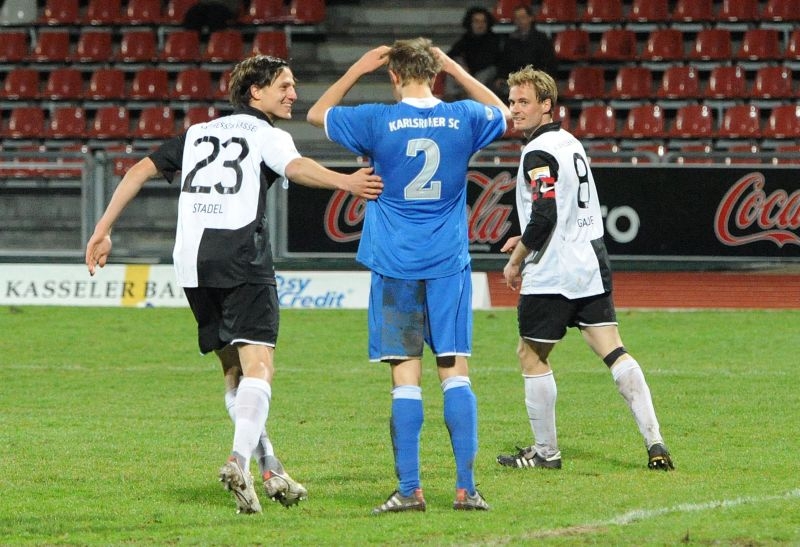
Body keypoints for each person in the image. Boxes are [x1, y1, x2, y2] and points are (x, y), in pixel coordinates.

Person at [85, 54, 383, 514]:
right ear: (254, 93)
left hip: (191, 263)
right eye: (284, 85)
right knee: (260, 366)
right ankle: (237, 459)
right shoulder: (268, 135)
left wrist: (103, 229)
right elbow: (298, 168)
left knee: (234, 373)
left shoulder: (199, 132)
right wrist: (347, 182)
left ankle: (269, 466)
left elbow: (138, 169)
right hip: (240, 257)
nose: (293, 94)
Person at [307, 37, 511, 514]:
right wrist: (458, 71)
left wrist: (357, 66)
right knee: (455, 372)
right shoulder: (463, 117)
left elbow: (318, 113)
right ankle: (465, 488)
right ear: (436, 72)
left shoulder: (376, 119)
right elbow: (503, 111)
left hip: (395, 263)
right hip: (448, 265)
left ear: (393, 75)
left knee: (405, 378)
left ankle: (410, 489)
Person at [496, 66, 674, 473]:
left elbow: (544, 213)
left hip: (553, 272)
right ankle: (655, 442)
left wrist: (516, 258)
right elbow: (561, 208)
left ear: (547, 105)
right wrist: (522, 234)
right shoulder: (570, 142)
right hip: (589, 264)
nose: (515, 109)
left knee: (531, 355)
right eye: (512, 102)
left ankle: (546, 453)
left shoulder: (536, 153)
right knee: (614, 351)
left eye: (524, 102)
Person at [493, 5, 557, 98]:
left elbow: (549, 63)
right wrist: (500, 77)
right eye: (517, 18)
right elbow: (504, 63)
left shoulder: (541, 39)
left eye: (522, 17)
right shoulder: (510, 41)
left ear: (530, 18)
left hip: (536, 80)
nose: (519, 21)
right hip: (514, 81)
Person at [445, 6, 502, 99]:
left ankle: (472, 97)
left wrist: (467, 73)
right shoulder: (466, 38)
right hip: (469, 75)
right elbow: (450, 55)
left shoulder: (494, 39)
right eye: (476, 21)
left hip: (486, 76)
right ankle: (451, 98)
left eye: (483, 21)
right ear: (470, 23)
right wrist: (461, 68)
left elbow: (489, 62)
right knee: (455, 62)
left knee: (486, 72)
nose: (480, 24)